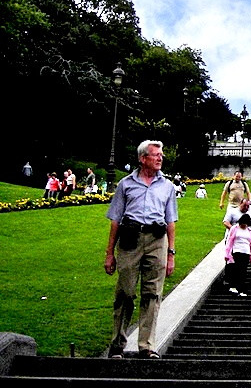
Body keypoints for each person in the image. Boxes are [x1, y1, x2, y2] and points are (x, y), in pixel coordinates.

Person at [104, 140, 177, 359]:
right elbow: (115, 220)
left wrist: (171, 253)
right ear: (142, 158)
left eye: (161, 155)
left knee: (153, 293)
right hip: (130, 239)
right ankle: (117, 344)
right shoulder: (126, 185)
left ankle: (147, 345)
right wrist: (109, 253)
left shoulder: (168, 186)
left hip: (157, 239)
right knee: (125, 292)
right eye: (155, 155)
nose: (160, 158)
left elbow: (171, 221)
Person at [224, 214, 251, 297]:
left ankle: (241, 289)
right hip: (237, 251)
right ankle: (233, 286)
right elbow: (230, 241)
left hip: (246, 252)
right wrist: (227, 253)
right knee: (236, 269)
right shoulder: (235, 228)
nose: (244, 225)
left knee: (243, 271)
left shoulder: (250, 231)